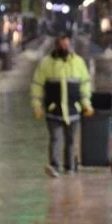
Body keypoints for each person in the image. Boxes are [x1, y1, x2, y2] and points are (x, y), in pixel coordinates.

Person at [31, 34, 93, 177]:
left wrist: (86, 104)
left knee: (71, 140)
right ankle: (55, 166)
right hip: (54, 110)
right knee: (56, 139)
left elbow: (85, 85)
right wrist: (37, 105)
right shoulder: (46, 63)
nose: (65, 48)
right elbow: (37, 85)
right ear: (56, 46)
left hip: (73, 109)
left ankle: (70, 166)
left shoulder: (78, 62)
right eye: (62, 45)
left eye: (67, 45)